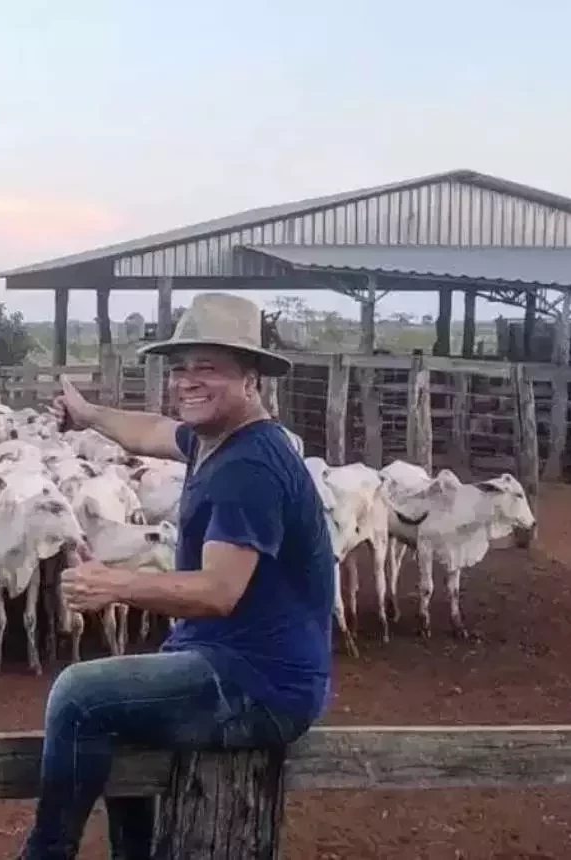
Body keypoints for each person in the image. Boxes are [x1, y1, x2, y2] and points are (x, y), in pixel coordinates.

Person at [17, 292, 336, 860]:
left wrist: (115, 583)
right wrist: (89, 416)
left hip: (258, 686)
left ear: (251, 377)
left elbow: (218, 592)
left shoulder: (248, 468)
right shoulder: (217, 440)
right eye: (181, 368)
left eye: (208, 368)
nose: (188, 381)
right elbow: (150, 431)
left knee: (80, 695)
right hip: (232, 665)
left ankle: (45, 854)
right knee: (119, 716)